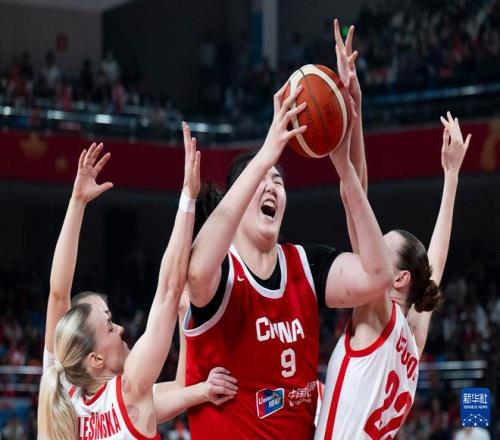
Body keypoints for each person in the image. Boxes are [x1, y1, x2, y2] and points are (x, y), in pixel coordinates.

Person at [184, 71, 394, 436]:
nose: (271, 187)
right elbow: (197, 272)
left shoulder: (305, 264)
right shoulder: (222, 271)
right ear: (237, 199)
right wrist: (268, 153)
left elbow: (378, 277)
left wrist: (345, 165)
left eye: (278, 181)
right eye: (261, 179)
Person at [314, 20, 471, 439]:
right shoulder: (411, 339)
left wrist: (353, 113)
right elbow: (434, 266)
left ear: (398, 279)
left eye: (380, 249)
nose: (370, 254)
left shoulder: (377, 311)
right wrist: (451, 177)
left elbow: (356, 197)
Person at [38, 129, 235, 439]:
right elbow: (167, 291)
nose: (120, 329)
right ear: (95, 359)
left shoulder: (66, 397)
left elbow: (58, 293)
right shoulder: (128, 391)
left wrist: (201, 391)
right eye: (109, 326)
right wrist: (188, 198)